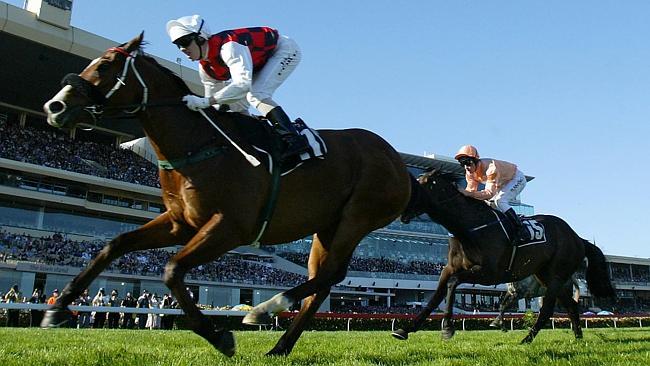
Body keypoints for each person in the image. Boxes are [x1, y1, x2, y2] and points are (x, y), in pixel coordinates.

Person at [166, 14, 309, 158]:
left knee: (256, 94)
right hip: (258, 61)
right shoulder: (205, 69)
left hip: (283, 51)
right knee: (235, 105)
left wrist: (204, 102)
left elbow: (242, 85)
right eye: (178, 45)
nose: (182, 49)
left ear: (200, 38)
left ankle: (293, 139)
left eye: (184, 42)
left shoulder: (229, 47)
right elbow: (215, 105)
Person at [454, 145, 528, 243]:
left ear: (475, 160)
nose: (466, 167)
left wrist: (467, 193)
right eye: (462, 164)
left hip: (516, 179)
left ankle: (521, 229)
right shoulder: (469, 173)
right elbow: (470, 192)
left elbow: (489, 193)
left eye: (467, 163)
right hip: (501, 183)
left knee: (500, 201)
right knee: (489, 204)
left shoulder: (491, 168)